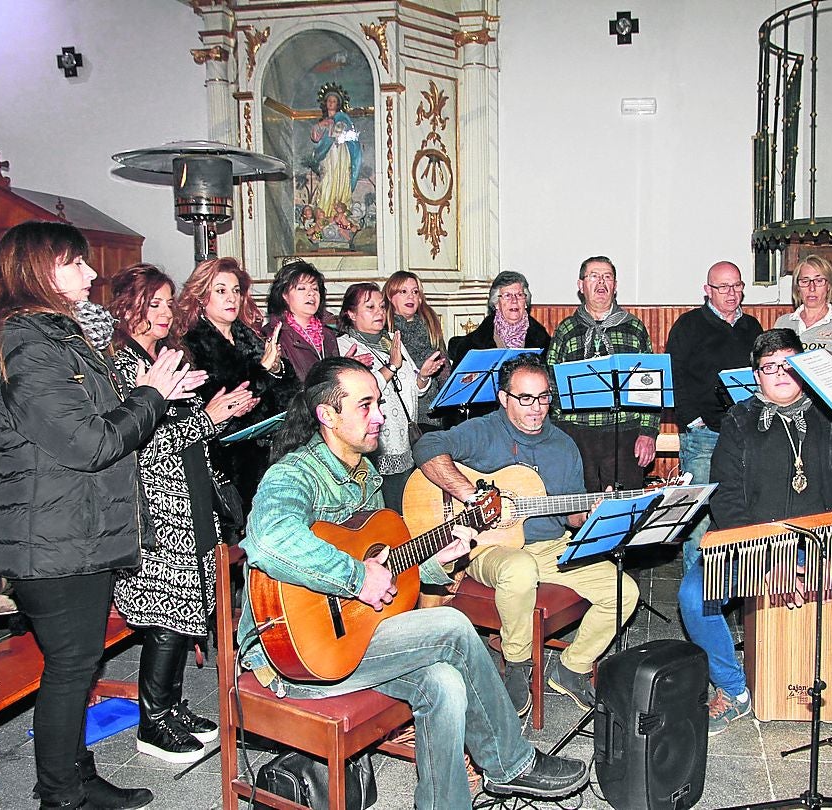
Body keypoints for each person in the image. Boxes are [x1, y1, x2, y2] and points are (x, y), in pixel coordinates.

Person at [238, 357, 589, 809]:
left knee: (445, 683)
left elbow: (387, 565)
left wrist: (434, 563)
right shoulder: (295, 475)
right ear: (328, 415)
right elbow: (269, 539)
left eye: (379, 404)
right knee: (453, 627)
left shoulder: (365, 475)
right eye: (366, 406)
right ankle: (510, 765)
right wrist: (355, 578)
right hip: (295, 655)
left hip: (356, 638)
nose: (380, 417)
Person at [0, 221, 204, 810]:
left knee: (77, 663)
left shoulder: (53, 335)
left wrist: (148, 395)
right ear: (37, 270)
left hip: (74, 529)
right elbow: (91, 444)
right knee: (71, 669)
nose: (91, 272)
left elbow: (90, 421)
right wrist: (151, 396)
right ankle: (60, 796)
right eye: (75, 262)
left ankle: (77, 778)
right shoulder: (26, 345)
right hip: (51, 536)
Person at [678, 329, 832, 736]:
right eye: (769, 367)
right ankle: (733, 690)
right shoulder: (738, 421)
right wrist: (765, 560)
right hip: (753, 546)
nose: (779, 374)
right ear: (756, 376)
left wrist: (830, 556)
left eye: (787, 365)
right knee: (692, 594)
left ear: (805, 369)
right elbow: (727, 499)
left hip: (825, 543)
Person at [412, 353, 639, 715]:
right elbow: (427, 446)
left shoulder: (563, 446)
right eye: (525, 398)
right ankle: (517, 664)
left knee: (624, 591)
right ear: (504, 398)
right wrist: (472, 497)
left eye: (544, 397)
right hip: (486, 547)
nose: (537, 408)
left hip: (550, 546)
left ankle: (572, 668)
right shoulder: (483, 431)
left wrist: (593, 514)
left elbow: (572, 515)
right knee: (520, 569)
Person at [108, 265, 258, 764]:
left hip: (190, 493)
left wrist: (217, 414)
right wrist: (207, 418)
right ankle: (152, 722)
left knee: (187, 606)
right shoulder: (122, 368)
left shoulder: (165, 357)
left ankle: (172, 708)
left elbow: (187, 430)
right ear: (127, 307)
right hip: (156, 504)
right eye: (154, 303)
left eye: (168, 303)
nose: (165, 312)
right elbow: (140, 447)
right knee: (165, 616)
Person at [176, 257, 297, 513]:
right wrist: (264, 371)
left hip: (269, 456)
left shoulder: (249, 335)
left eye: (236, 291)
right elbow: (228, 400)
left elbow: (288, 391)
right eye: (221, 291)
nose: (232, 298)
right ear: (201, 297)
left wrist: (277, 368)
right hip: (227, 466)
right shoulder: (191, 345)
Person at [665, 260, 764, 571]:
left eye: (737, 286)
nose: (731, 293)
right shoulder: (688, 326)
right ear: (707, 290)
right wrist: (692, 420)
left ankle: (736, 583)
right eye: (723, 287)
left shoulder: (752, 327)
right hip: (703, 436)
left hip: (745, 434)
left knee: (742, 511)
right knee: (698, 518)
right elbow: (674, 376)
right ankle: (695, 590)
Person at [546, 256, 659, 492]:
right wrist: (557, 433)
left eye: (607, 277)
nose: (601, 282)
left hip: (624, 431)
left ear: (615, 286)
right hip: (576, 433)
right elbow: (551, 382)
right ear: (581, 285)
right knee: (578, 504)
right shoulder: (566, 329)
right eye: (594, 276)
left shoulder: (634, 328)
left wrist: (648, 433)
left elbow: (649, 386)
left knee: (625, 506)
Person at [335, 282, 443, 511]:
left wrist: (423, 376)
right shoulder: (344, 346)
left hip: (405, 441)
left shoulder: (392, 340)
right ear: (351, 314)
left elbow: (413, 389)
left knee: (411, 508)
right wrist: (392, 367)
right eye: (370, 307)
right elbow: (361, 394)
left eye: (382, 307)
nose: (379, 312)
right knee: (387, 512)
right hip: (378, 444)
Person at [384, 270, 449, 431]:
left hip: (437, 412)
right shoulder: (386, 332)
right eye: (403, 291)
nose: (411, 297)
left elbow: (445, 371)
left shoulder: (431, 327)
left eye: (415, 292)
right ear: (390, 296)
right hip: (405, 416)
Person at [448, 270, 551, 366]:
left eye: (519, 295)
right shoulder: (472, 345)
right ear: (496, 303)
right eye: (507, 295)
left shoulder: (543, 341)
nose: (514, 300)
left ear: (525, 302)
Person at [266, 258, 340, 382]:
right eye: (301, 288)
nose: (311, 293)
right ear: (284, 295)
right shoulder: (273, 335)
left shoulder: (328, 334)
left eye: (315, 289)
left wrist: (343, 369)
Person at [774, 254, 832, 350]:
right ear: (797, 287)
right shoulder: (783, 322)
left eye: (819, 281)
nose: (812, 288)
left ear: (829, 286)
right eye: (805, 281)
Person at [311, 85, 362, 217]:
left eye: (334, 101)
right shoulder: (324, 121)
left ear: (338, 104)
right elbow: (316, 138)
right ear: (325, 103)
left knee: (340, 177)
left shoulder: (342, 118)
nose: (331, 103)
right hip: (328, 154)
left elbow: (345, 133)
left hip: (340, 152)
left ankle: (340, 213)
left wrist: (335, 128)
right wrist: (321, 125)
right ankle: (324, 213)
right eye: (329, 101)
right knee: (327, 179)